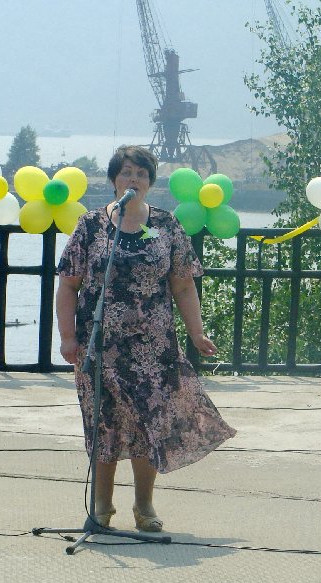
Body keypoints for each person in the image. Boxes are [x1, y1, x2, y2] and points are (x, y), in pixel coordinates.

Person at [56, 145, 236, 533]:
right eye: (126, 172)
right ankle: (101, 507)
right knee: (103, 425)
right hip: (100, 347)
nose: (133, 179)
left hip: (153, 348)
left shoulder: (166, 226)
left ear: (151, 182)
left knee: (148, 424)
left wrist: (196, 332)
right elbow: (68, 284)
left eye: (140, 173)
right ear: (113, 180)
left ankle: (144, 506)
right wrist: (68, 337)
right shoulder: (91, 226)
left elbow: (183, 285)